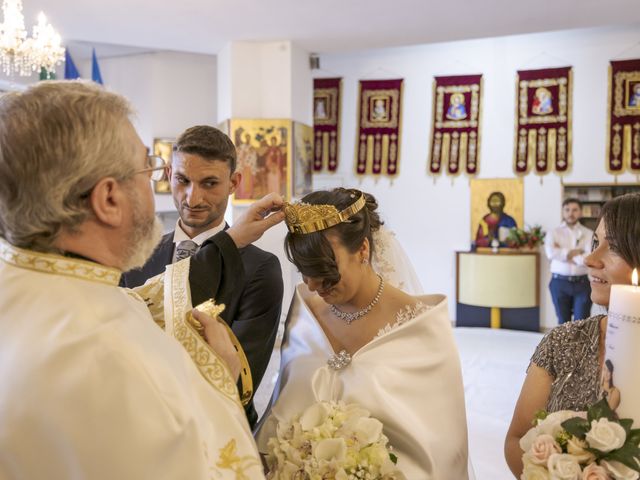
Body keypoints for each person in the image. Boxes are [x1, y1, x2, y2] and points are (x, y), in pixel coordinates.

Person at [0, 80, 285, 479]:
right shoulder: (117, 358)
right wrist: (219, 377)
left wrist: (232, 239)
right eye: (150, 169)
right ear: (109, 200)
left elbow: (144, 298)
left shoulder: (22, 288)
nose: (186, 196)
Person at [256, 188, 469, 479]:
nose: (315, 284)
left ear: (363, 250)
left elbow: (444, 451)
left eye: (326, 271)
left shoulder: (422, 327)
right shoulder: (304, 313)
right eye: (305, 272)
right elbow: (280, 411)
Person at [121, 125, 283, 428]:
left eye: (210, 183)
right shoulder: (134, 253)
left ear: (234, 182)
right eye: (182, 180)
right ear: (169, 173)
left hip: (216, 430)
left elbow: (240, 384)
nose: (192, 198)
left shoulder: (260, 269)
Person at [504, 193, 640, 477]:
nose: (590, 259)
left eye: (612, 247)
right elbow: (517, 439)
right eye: (594, 243)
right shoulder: (564, 341)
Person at [544, 198, 593, 324]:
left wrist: (562, 252)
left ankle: (579, 345)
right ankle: (564, 345)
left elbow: (588, 259)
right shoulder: (553, 233)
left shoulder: (588, 233)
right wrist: (578, 251)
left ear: (580, 212)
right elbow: (551, 253)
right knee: (562, 323)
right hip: (559, 282)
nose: (571, 213)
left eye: (575, 210)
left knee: (581, 323)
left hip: (582, 283)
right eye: (567, 210)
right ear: (563, 212)